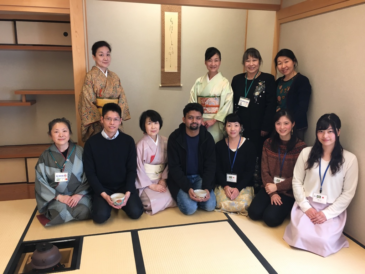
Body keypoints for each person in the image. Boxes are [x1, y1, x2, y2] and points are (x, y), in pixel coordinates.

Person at [284, 114, 358, 257]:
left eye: (330, 131)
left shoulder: (349, 159)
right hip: (307, 204)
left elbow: (348, 193)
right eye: (321, 131)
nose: (325, 135)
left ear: (338, 132)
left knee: (324, 241)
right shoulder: (306, 153)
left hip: (331, 209)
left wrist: (326, 213)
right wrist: (306, 207)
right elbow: (297, 181)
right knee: (299, 235)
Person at [83, 103, 143, 223]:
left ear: (120, 121)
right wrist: (104, 195)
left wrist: (127, 193)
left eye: (116, 119)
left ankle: (121, 203)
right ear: (102, 120)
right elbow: (90, 173)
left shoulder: (128, 141)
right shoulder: (91, 143)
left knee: (136, 212)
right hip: (104, 188)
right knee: (99, 217)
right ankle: (108, 204)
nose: (112, 123)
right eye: (108, 119)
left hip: (123, 186)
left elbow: (132, 169)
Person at [248, 110, 306, 227]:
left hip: (287, 192)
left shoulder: (301, 147)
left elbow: (298, 177)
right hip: (269, 187)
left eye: (286, 123)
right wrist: (272, 192)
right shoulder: (268, 143)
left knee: (270, 219)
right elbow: (264, 170)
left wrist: (278, 187)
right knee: (253, 213)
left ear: (293, 124)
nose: (282, 127)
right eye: (278, 123)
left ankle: (283, 208)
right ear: (274, 125)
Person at [231, 48, 276, 190]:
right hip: (239, 127)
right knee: (240, 153)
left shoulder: (267, 79)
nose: (251, 64)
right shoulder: (237, 79)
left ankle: (255, 185)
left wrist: (266, 126)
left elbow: (271, 104)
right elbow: (232, 103)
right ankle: (240, 183)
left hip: (258, 127)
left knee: (256, 155)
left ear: (259, 61)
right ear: (243, 63)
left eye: (254, 60)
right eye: (248, 60)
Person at [35, 118, 91, 226]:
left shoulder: (80, 151)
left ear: (70, 133)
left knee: (84, 210)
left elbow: (89, 175)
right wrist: (60, 197)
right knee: (60, 211)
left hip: (78, 195)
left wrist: (78, 195)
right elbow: (40, 181)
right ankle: (66, 214)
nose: (61, 134)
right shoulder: (45, 156)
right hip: (56, 197)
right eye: (56, 132)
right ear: (50, 135)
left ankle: (69, 215)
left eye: (64, 131)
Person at [167, 103, 217, 215]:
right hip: (181, 178)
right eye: (190, 117)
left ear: (201, 120)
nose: (194, 121)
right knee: (190, 209)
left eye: (198, 118)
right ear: (184, 119)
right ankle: (190, 199)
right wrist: (187, 187)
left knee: (210, 206)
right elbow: (174, 167)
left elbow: (211, 165)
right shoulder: (175, 138)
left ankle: (196, 198)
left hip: (199, 177)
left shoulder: (207, 138)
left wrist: (207, 188)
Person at [78, 41, 131, 142]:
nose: (105, 58)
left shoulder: (114, 76)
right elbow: (87, 100)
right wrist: (103, 119)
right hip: (98, 120)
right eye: (101, 55)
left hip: (113, 120)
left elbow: (122, 98)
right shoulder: (90, 76)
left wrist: (115, 118)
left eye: (108, 54)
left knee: (117, 145)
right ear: (94, 57)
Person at [135, 110, 176, 214]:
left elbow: (169, 162)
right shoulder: (140, 145)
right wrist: (152, 186)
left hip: (162, 180)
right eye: (149, 123)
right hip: (147, 183)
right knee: (148, 203)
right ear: (143, 125)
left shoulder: (165, 141)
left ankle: (161, 202)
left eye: (156, 123)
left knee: (177, 195)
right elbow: (138, 168)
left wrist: (163, 180)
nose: (153, 127)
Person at [189, 47, 233, 143]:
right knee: (200, 147)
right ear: (205, 62)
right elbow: (192, 101)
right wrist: (198, 119)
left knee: (215, 146)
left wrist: (214, 120)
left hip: (216, 123)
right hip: (200, 121)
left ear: (220, 62)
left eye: (216, 60)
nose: (213, 64)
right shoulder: (199, 82)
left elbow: (227, 103)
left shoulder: (224, 83)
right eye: (210, 60)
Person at [215, 113, 256, 214]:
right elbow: (217, 169)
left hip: (243, 186)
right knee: (220, 203)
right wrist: (225, 186)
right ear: (225, 127)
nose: (232, 129)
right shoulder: (219, 146)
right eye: (229, 125)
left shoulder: (249, 146)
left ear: (241, 127)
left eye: (236, 125)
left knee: (244, 205)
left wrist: (238, 188)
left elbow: (249, 171)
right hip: (225, 186)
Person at [275, 49, 311, 141]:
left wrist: (289, 124)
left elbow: (302, 107)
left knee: (294, 153)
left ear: (294, 61)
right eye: (279, 63)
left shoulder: (302, 81)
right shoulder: (278, 82)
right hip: (279, 126)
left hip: (296, 126)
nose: (283, 66)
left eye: (286, 61)